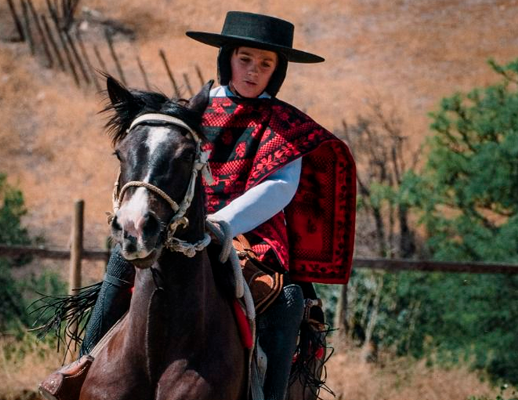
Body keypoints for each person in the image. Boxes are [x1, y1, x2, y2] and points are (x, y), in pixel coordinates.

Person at [81, 11, 356, 400]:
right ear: (227, 57)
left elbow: (279, 187)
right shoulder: (186, 115)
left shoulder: (288, 125)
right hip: (180, 221)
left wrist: (222, 223)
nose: (253, 70)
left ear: (277, 71)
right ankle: (80, 365)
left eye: (265, 63)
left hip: (253, 237)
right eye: (245, 58)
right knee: (122, 258)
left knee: (289, 298)